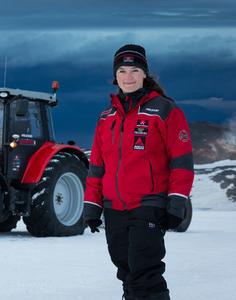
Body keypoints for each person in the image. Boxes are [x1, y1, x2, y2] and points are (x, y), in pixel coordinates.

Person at [84, 44, 194, 300]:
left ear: (145, 74)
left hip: (149, 203)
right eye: (122, 71)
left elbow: (181, 160)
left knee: (145, 271)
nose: (128, 76)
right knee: (125, 269)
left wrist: (177, 202)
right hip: (114, 207)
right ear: (116, 76)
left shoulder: (165, 110)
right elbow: (97, 167)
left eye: (135, 70)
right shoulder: (106, 117)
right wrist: (92, 205)